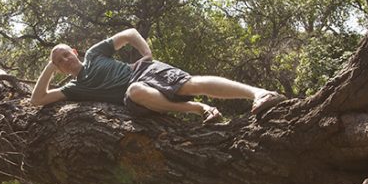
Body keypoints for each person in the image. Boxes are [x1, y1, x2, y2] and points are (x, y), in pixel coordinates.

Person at [29, 27, 285, 122]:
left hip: (144, 70)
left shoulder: (95, 53)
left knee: (188, 84)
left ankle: (259, 93)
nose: (65, 60)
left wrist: (147, 54)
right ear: (60, 69)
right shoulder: (73, 88)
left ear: (75, 51)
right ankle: (198, 109)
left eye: (66, 54)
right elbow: (37, 99)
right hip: (137, 98)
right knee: (133, 91)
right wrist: (49, 67)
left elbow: (130, 33)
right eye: (59, 61)